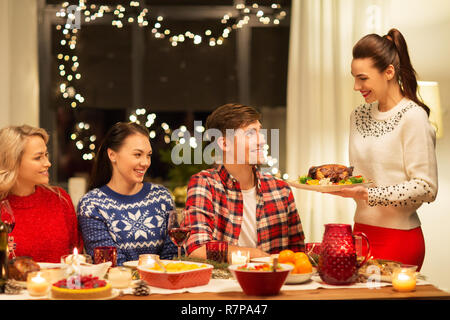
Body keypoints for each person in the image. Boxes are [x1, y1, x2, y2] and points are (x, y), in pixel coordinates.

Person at [327, 29, 438, 270]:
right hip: (360, 234)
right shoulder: (358, 115)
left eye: (363, 78)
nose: (356, 86)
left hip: (399, 239)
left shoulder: (414, 117)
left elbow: (426, 188)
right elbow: (365, 174)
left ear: (388, 72)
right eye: (354, 77)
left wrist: (369, 195)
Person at [184, 103, 305, 260]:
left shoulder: (281, 189)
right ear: (224, 144)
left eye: (259, 131)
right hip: (225, 282)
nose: (262, 140)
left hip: (274, 282)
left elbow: (298, 252)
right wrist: (256, 255)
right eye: (250, 133)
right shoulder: (205, 184)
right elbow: (197, 249)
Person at [77, 122, 177, 265]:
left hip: (164, 284)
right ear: (112, 155)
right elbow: (111, 264)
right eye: (137, 154)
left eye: (148, 155)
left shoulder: (162, 197)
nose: (145, 163)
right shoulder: (92, 205)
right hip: (118, 285)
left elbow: (173, 256)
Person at [0, 125, 82, 263]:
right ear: (13, 162)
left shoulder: (60, 199)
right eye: (38, 158)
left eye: (46, 155)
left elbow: (76, 255)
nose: (48, 163)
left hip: (58, 284)